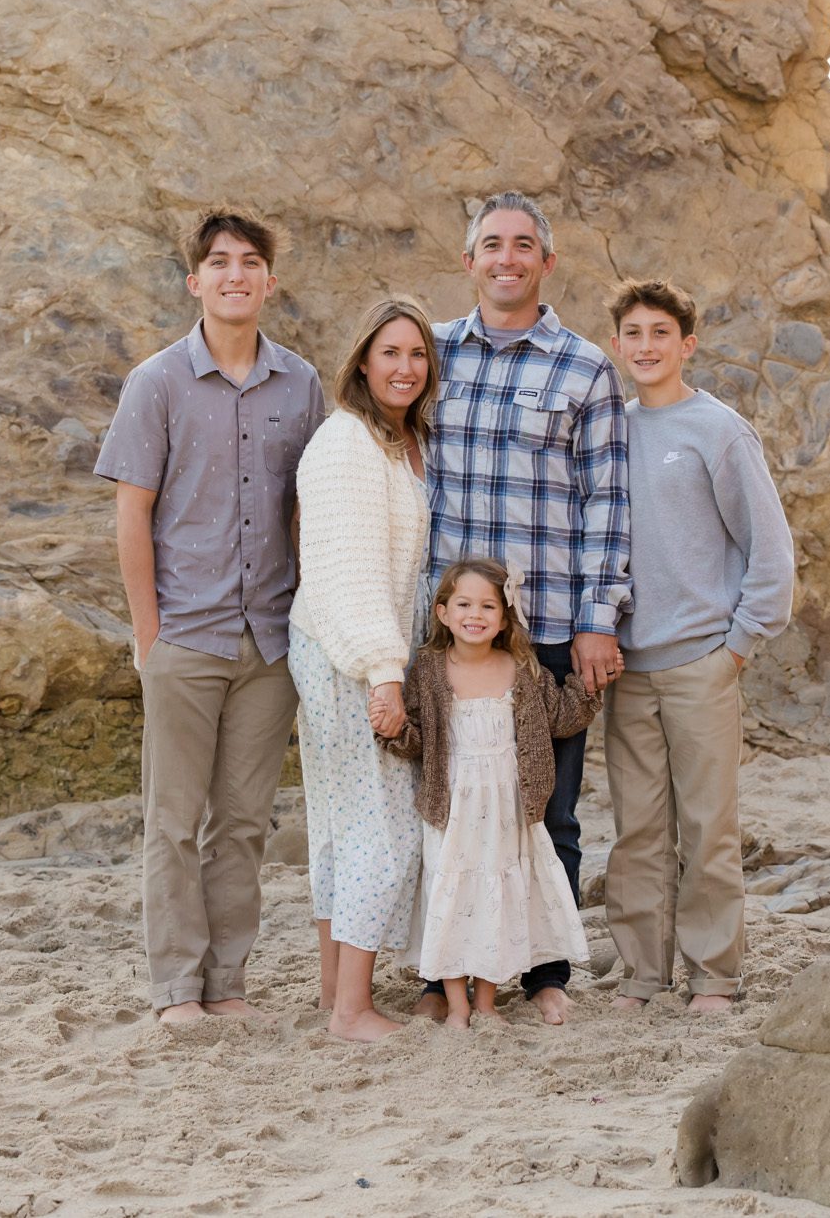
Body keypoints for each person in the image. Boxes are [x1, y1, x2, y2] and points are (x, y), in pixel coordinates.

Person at [94, 206, 324, 1024]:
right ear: (196, 281)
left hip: (268, 641)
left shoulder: (301, 383)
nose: (236, 273)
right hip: (185, 638)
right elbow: (132, 514)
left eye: (250, 261)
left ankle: (227, 984)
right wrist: (147, 634)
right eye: (219, 262)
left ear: (269, 279)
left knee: (242, 824)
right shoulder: (155, 383)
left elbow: (308, 508)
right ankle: (173, 989)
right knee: (173, 820)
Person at [421, 190, 632, 1025]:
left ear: (547, 262)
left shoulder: (584, 368)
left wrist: (597, 620)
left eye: (522, 245)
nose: (506, 258)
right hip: (450, 635)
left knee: (546, 809)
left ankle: (546, 975)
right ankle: (444, 976)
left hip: (543, 632)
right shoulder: (432, 355)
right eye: (490, 245)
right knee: (445, 808)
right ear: (468, 260)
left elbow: (607, 504)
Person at [602, 279, 794, 1015]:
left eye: (660, 333)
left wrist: (737, 647)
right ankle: (644, 975)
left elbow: (770, 552)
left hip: (701, 664)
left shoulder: (719, 430)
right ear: (616, 344)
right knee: (638, 832)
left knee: (709, 827)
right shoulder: (611, 429)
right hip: (626, 669)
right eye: (632, 333)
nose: (645, 346)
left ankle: (713, 975)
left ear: (687, 344)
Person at [285, 297, 439, 1042]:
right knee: (380, 827)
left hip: (366, 649)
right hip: (347, 652)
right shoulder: (347, 441)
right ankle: (352, 1008)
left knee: (346, 823)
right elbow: (344, 569)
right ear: (363, 363)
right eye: (390, 353)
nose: (404, 367)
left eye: (417, 355)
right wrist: (384, 672)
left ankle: (333, 994)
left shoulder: (406, 441)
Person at [377, 559, 596, 1028]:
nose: (475, 614)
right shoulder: (430, 669)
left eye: (488, 606)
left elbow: (559, 719)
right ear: (442, 612)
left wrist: (591, 685)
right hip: (452, 807)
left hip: (506, 809)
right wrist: (392, 730)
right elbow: (416, 737)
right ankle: (456, 1005)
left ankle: (485, 1002)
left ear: (504, 616)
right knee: (453, 895)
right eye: (464, 604)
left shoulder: (520, 667)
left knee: (497, 894)